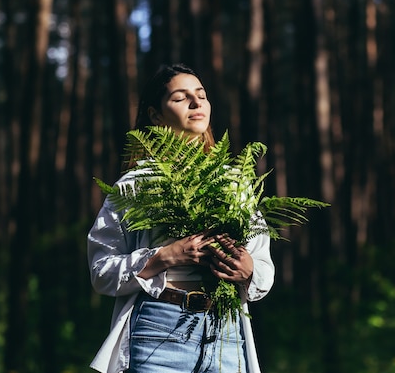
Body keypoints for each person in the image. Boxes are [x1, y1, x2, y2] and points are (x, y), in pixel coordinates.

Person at [87, 63, 275, 373]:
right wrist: (165, 256)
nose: (196, 102)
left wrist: (248, 269)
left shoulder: (234, 182)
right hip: (160, 330)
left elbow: (263, 268)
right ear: (155, 115)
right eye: (180, 97)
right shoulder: (135, 184)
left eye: (201, 95)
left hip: (227, 334)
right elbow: (101, 271)